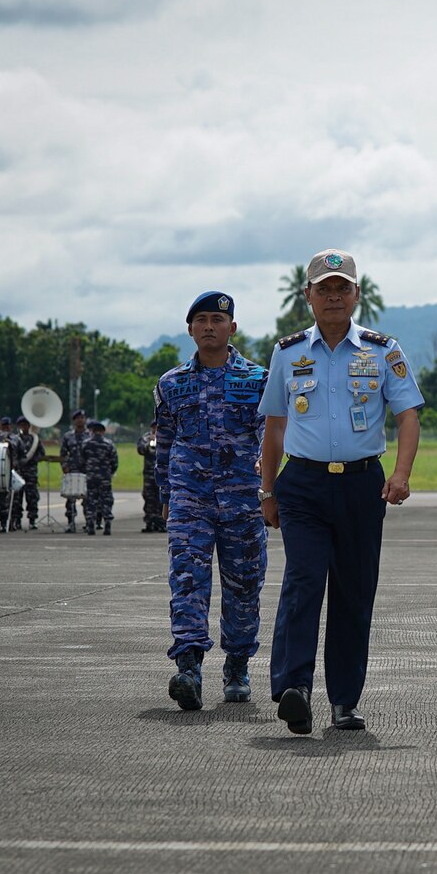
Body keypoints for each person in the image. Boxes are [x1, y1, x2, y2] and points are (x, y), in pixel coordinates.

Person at [259, 249, 423, 735]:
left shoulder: (382, 349)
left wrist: (401, 474)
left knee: (353, 593)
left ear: (357, 294)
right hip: (303, 484)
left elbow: (408, 414)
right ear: (307, 296)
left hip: (360, 485)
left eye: (342, 288)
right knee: (304, 581)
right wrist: (267, 490)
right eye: (323, 289)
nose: (333, 297)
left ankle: (344, 701)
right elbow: (273, 426)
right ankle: (294, 688)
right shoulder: (288, 352)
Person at [154, 291, 271, 711]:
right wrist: (166, 495)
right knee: (187, 579)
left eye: (217, 320)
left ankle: (237, 666)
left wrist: (268, 483)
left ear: (232, 328)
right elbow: (164, 442)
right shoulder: (171, 383)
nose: (209, 326)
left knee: (243, 586)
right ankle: (188, 667)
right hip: (191, 499)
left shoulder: (259, 379)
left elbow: (268, 436)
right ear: (190, 329)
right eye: (201, 319)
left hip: (242, 500)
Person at [81, 419, 119, 535]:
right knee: (106, 500)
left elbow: (81, 460)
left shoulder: (86, 443)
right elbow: (115, 462)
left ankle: (91, 525)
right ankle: (107, 524)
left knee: (91, 500)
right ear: (103, 432)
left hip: (91, 477)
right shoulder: (109, 444)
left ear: (92, 431)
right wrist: (110, 472)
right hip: (105, 477)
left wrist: (87, 471)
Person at [58, 409, 90, 535]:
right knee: (70, 500)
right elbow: (63, 454)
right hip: (72, 471)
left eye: (82, 417)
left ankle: (89, 522)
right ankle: (71, 523)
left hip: (86, 471)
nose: (80, 420)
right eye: (77, 418)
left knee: (88, 499)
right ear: (74, 420)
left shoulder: (90, 435)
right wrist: (64, 466)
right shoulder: (68, 436)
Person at [9, 416, 45, 531]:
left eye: (26, 424)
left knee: (32, 497)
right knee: (17, 498)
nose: (24, 427)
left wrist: (34, 460)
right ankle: (17, 521)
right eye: (21, 424)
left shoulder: (35, 439)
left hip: (31, 473)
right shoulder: (14, 439)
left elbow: (41, 453)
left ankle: (32, 520)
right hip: (19, 473)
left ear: (29, 426)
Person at [137, 421, 165, 533]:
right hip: (149, 474)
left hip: (162, 473)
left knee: (161, 499)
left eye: (157, 426)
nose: (155, 428)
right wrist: (150, 442)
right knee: (149, 498)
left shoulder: (165, 436)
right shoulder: (146, 437)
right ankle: (150, 522)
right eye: (153, 427)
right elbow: (140, 450)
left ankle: (161, 522)